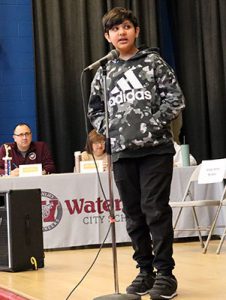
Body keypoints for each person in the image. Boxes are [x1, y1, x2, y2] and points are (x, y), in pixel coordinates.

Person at [87, 7, 185, 300]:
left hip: (156, 150)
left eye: (127, 26)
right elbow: (94, 110)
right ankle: (145, 271)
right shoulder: (103, 71)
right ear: (107, 36)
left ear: (136, 31)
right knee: (133, 215)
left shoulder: (154, 62)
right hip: (122, 154)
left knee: (155, 209)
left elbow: (176, 99)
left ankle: (166, 274)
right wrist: (113, 130)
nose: (122, 32)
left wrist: (151, 124)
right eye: (115, 29)